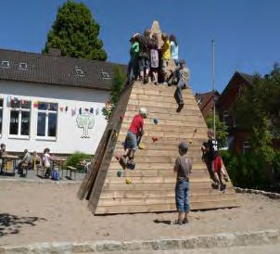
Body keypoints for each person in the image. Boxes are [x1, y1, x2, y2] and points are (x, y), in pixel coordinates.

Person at [173, 142, 192, 225]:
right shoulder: (189, 159)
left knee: (180, 200)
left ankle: (180, 219)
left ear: (180, 150)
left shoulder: (179, 159)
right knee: (186, 199)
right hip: (187, 182)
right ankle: (186, 218)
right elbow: (190, 170)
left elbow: (175, 169)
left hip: (180, 182)